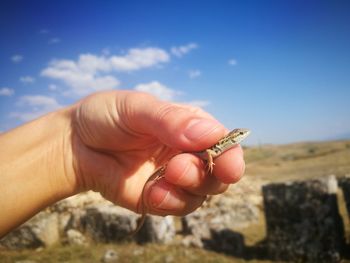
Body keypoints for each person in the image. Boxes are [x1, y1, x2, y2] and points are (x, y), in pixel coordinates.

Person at [0, 90, 245, 237]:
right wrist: (73, 135)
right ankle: (160, 179)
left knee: (179, 172)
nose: (243, 137)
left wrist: (71, 144)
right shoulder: (219, 144)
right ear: (234, 137)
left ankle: (159, 180)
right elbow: (210, 154)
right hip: (193, 155)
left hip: (182, 159)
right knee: (178, 170)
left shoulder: (225, 145)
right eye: (241, 135)